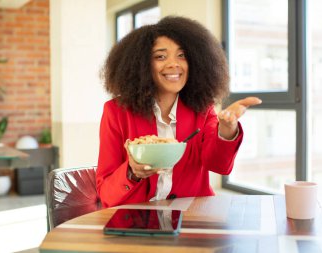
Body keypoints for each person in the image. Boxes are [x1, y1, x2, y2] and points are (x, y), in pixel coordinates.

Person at [97, 16, 261, 208]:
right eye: (160, 56)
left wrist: (227, 129)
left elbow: (219, 165)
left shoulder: (202, 108)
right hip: (137, 220)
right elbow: (106, 194)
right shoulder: (116, 112)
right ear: (141, 65)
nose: (174, 64)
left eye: (182, 55)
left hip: (192, 217)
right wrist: (132, 173)